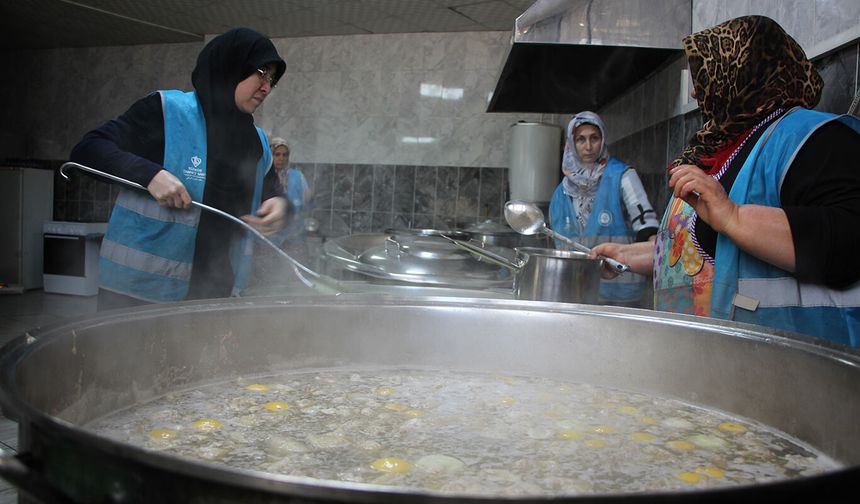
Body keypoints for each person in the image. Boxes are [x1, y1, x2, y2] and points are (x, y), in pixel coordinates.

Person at [591, 15, 860, 347]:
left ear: (743, 71)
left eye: (703, 74)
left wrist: (733, 215)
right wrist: (630, 256)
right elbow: (700, 256)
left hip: (791, 367)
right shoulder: (716, 151)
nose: (693, 90)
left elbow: (850, 239)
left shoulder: (812, 137)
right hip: (709, 361)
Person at [70, 28, 288, 310]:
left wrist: (279, 206)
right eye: (261, 72)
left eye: (272, 79)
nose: (266, 87)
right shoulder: (167, 111)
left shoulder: (256, 142)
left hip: (217, 295)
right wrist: (149, 175)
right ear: (230, 66)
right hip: (139, 294)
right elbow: (88, 150)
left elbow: (273, 193)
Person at [549, 111, 659, 306]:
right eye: (581, 139)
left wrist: (660, 264)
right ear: (571, 143)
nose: (589, 146)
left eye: (594, 138)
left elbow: (648, 229)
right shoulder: (561, 193)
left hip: (622, 295)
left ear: (603, 139)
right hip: (576, 293)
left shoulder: (622, 176)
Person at [268, 137, 312, 247]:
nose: (281, 158)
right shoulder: (264, 177)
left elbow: (306, 204)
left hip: (294, 238)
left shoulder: (297, 176)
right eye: (277, 154)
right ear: (270, 155)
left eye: (285, 155)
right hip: (268, 239)